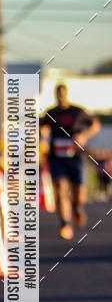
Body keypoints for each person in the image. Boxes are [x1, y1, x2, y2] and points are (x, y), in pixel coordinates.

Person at [40, 83, 100, 239]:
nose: (60, 96)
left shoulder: (76, 111)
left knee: (79, 192)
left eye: (62, 93)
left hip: (75, 156)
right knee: (60, 188)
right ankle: (65, 224)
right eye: (57, 94)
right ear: (55, 95)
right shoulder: (51, 113)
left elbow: (95, 124)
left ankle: (77, 207)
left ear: (65, 94)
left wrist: (83, 136)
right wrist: (42, 139)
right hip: (56, 157)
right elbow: (41, 128)